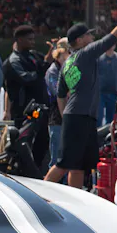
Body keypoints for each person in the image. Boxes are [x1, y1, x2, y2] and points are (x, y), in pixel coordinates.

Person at [44, 0, 117, 189]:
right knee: (64, 164)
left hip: (78, 117)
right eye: (88, 35)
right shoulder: (85, 54)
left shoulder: (67, 63)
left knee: (78, 166)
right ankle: (39, 194)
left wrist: (65, 116)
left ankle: (74, 201)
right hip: (78, 117)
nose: (92, 38)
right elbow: (115, 35)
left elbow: (61, 95)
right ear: (79, 40)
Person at [3, 25, 56, 177]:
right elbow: (27, 79)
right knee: (24, 150)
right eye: (29, 39)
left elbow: (45, 64)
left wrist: (51, 53)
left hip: (40, 111)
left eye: (33, 39)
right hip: (25, 113)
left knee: (42, 146)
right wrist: (42, 69)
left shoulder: (32, 55)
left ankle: (38, 175)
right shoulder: (13, 61)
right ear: (19, 40)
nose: (33, 42)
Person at [45, 38, 70, 169]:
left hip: (67, 117)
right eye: (69, 51)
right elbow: (58, 92)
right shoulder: (53, 71)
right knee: (56, 160)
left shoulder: (67, 69)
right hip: (56, 119)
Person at [97, 44, 117, 127]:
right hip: (99, 93)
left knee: (111, 120)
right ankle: (96, 134)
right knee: (98, 118)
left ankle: (109, 134)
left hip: (113, 93)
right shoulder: (99, 58)